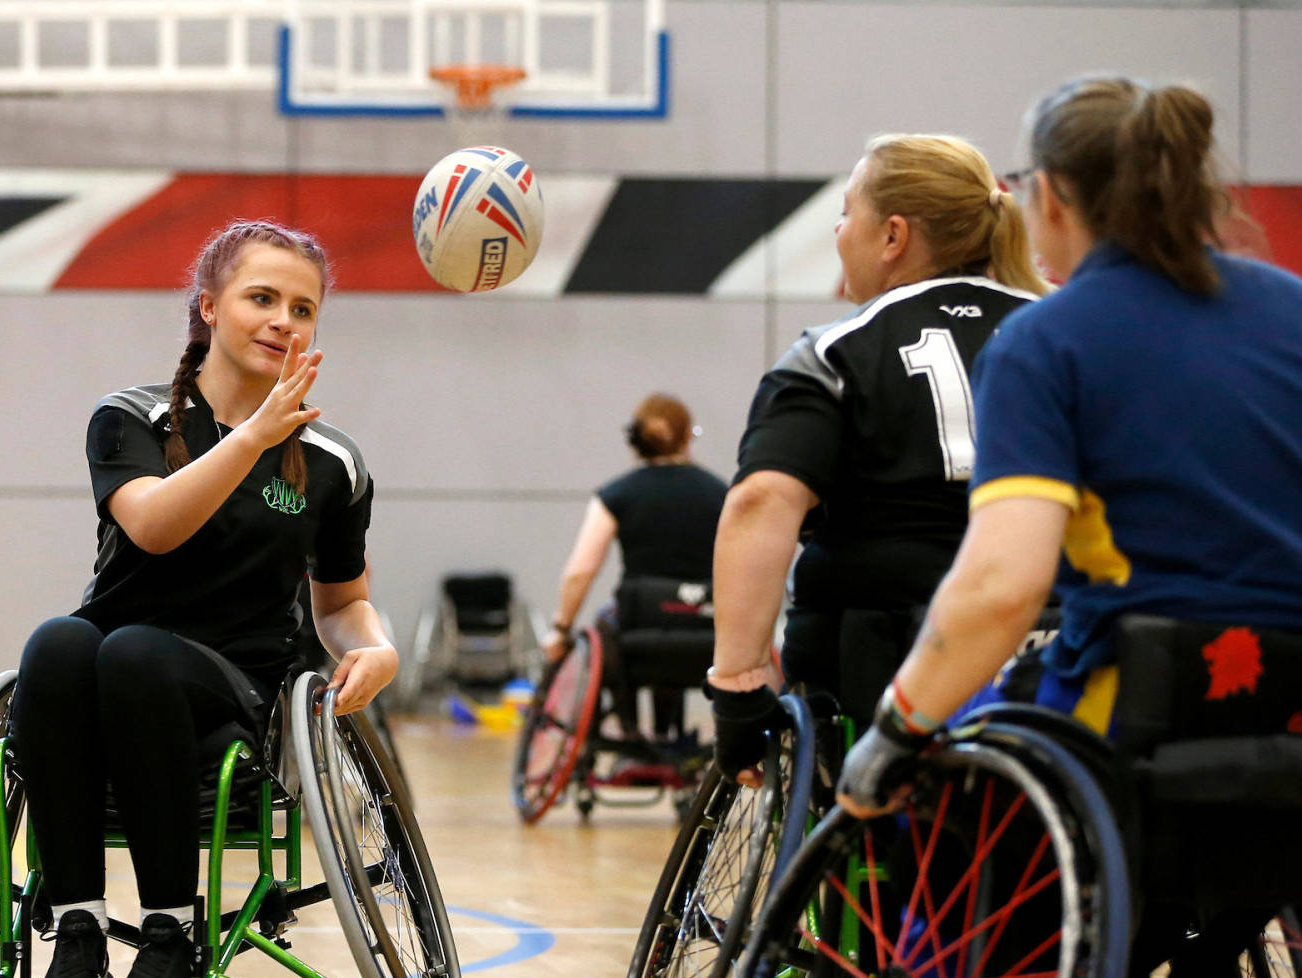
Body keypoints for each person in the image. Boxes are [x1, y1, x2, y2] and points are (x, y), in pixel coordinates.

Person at [837, 78, 1302, 816]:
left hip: (1147, 697)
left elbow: (1002, 586)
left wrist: (893, 728)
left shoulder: (1044, 342)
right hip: (1290, 701)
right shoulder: (1291, 308)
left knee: (934, 800)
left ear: (1050, 197)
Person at [14, 220, 396, 978]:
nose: (283, 321)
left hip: (233, 700)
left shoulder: (334, 464)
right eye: (262, 298)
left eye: (302, 309)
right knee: (59, 642)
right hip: (102, 682)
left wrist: (378, 649)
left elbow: (343, 604)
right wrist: (253, 436)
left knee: (138, 656)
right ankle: (76, 937)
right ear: (210, 308)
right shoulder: (131, 418)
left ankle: (168, 933)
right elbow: (153, 525)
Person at [706, 133, 1047, 777]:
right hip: (1049, 643)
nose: (839, 230)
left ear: (892, 236)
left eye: (845, 212)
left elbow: (761, 502)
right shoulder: (1064, 330)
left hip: (880, 652)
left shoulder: (835, 354)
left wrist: (738, 682)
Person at [541, 393, 726, 668]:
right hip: (708, 624)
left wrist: (561, 629)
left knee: (604, 628)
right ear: (687, 437)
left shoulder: (616, 494)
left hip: (637, 621)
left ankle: (626, 712)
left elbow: (581, 572)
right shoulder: (722, 493)